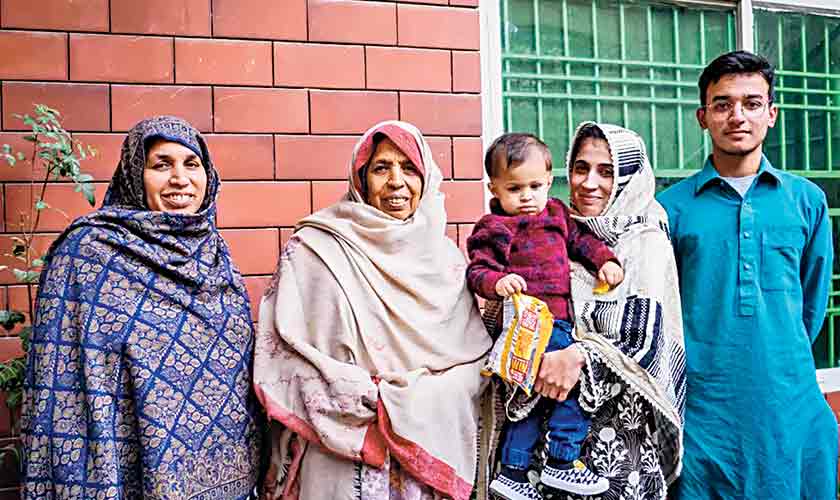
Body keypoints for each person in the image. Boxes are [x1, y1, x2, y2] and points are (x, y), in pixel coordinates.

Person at [20, 116, 262, 499]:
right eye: (161, 165)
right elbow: (62, 385)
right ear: (135, 174)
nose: (180, 179)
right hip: (131, 479)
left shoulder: (215, 254)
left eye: (191, 164)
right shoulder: (90, 254)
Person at [253, 120, 494, 500]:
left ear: (426, 177)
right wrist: (357, 396)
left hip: (425, 456)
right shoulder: (314, 250)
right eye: (382, 168)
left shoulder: (444, 260)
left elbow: (473, 361)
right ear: (361, 179)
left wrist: (411, 400)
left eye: (409, 168)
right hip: (337, 447)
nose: (396, 181)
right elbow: (279, 349)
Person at [658, 50, 838, 499]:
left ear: (771, 114)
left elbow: (811, 304)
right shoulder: (671, 208)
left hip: (788, 401)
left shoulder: (807, 201)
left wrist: (775, 347)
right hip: (701, 408)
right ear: (703, 117)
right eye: (722, 104)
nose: (737, 116)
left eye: (752, 103)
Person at [485, 122, 686, 499]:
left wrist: (574, 357)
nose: (589, 183)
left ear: (630, 178)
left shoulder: (644, 243)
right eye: (580, 168)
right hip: (536, 456)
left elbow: (644, 343)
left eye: (607, 171)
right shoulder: (546, 228)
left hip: (612, 454)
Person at [466, 133, 623, 500]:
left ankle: (513, 471)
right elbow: (477, 270)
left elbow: (583, 243)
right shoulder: (495, 227)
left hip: (561, 320)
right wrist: (498, 281)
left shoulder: (555, 214)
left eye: (535, 186)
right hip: (527, 322)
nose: (526, 197)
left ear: (549, 182)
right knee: (574, 385)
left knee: (533, 398)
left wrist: (605, 261)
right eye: (514, 188)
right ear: (494, 188)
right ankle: (562, 462)